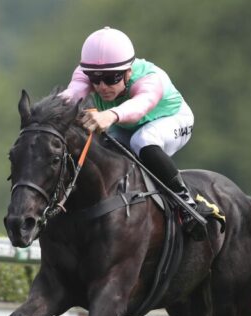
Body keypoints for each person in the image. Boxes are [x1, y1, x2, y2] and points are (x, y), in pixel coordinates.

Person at [60, 27, 206, 238]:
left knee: (143, 140)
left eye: (111, 78)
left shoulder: (150, 78)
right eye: (95, 79)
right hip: (127, 124)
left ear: (128, 72)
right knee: (103, 150)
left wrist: (110, 114)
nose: (102, 87)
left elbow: (139, 106)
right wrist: (49, 113)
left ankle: (186, 202)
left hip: (171, 119)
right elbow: (72, 95)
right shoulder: (86, 73)